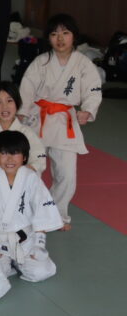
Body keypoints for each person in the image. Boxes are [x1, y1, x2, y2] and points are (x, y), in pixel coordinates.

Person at [17, 13, 102, 227]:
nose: (60, 38)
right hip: (39, 119)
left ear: (74, 36)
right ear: (48, 38)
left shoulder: (83, 63)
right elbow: (27, 87)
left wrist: (88, 110)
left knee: (67, 175)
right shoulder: (41, 62)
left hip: (65, 122)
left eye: (65, 33)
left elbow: (93, 89)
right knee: (32, 168)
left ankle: (56, 214)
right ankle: (26, 212)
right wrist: (22, 112)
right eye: (54, 34)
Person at [0, 131, 63, 281]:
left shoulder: (31, 178)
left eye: (15, 153)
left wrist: (39, 244)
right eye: (4, 153)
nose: (10, 159)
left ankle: (19, 261)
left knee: (40, 272)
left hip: (25, 241)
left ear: (24, 157)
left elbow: (43, 210)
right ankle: (8, 263)